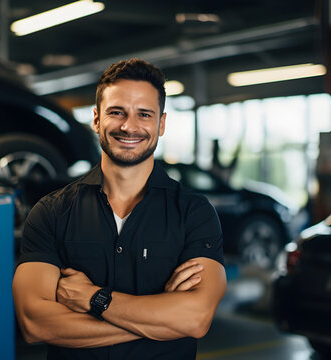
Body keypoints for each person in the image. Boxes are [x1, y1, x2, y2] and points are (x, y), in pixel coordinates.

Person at [12, 58, 227, 360]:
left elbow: (195, 318)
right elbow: (35, 323)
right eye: (117, 112)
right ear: (97, 119)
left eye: (144, 114)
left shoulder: (194, 213)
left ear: (161, 123)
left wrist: (93, 298)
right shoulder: (51, 212)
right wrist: (161, 321)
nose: (129, 126)